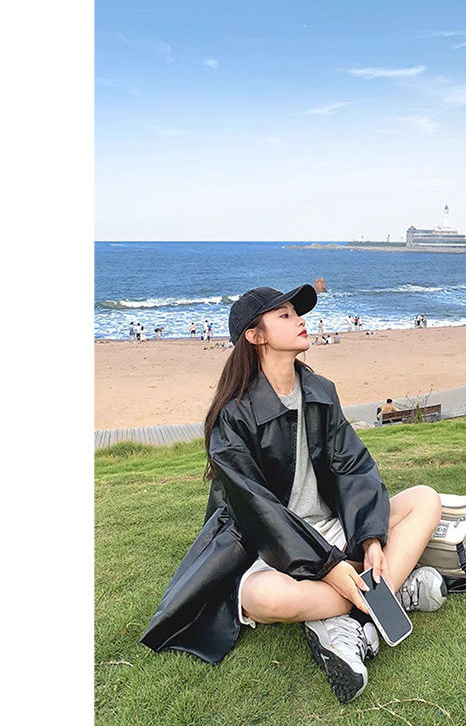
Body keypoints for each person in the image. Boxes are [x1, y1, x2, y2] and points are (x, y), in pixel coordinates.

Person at [140, 285, 447, 704]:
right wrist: (328, 566)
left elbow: (353, 468)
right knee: (265, 598)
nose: (300, 320)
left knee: (426, 499)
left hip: (332, 528)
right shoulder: (233, 416)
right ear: (255, 336)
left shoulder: (321, 391)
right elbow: (257, 510)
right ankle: (388, 593)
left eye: (296, 313)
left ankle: (348, 613)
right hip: (266, 546)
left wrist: (370, 539)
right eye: (284, 315)